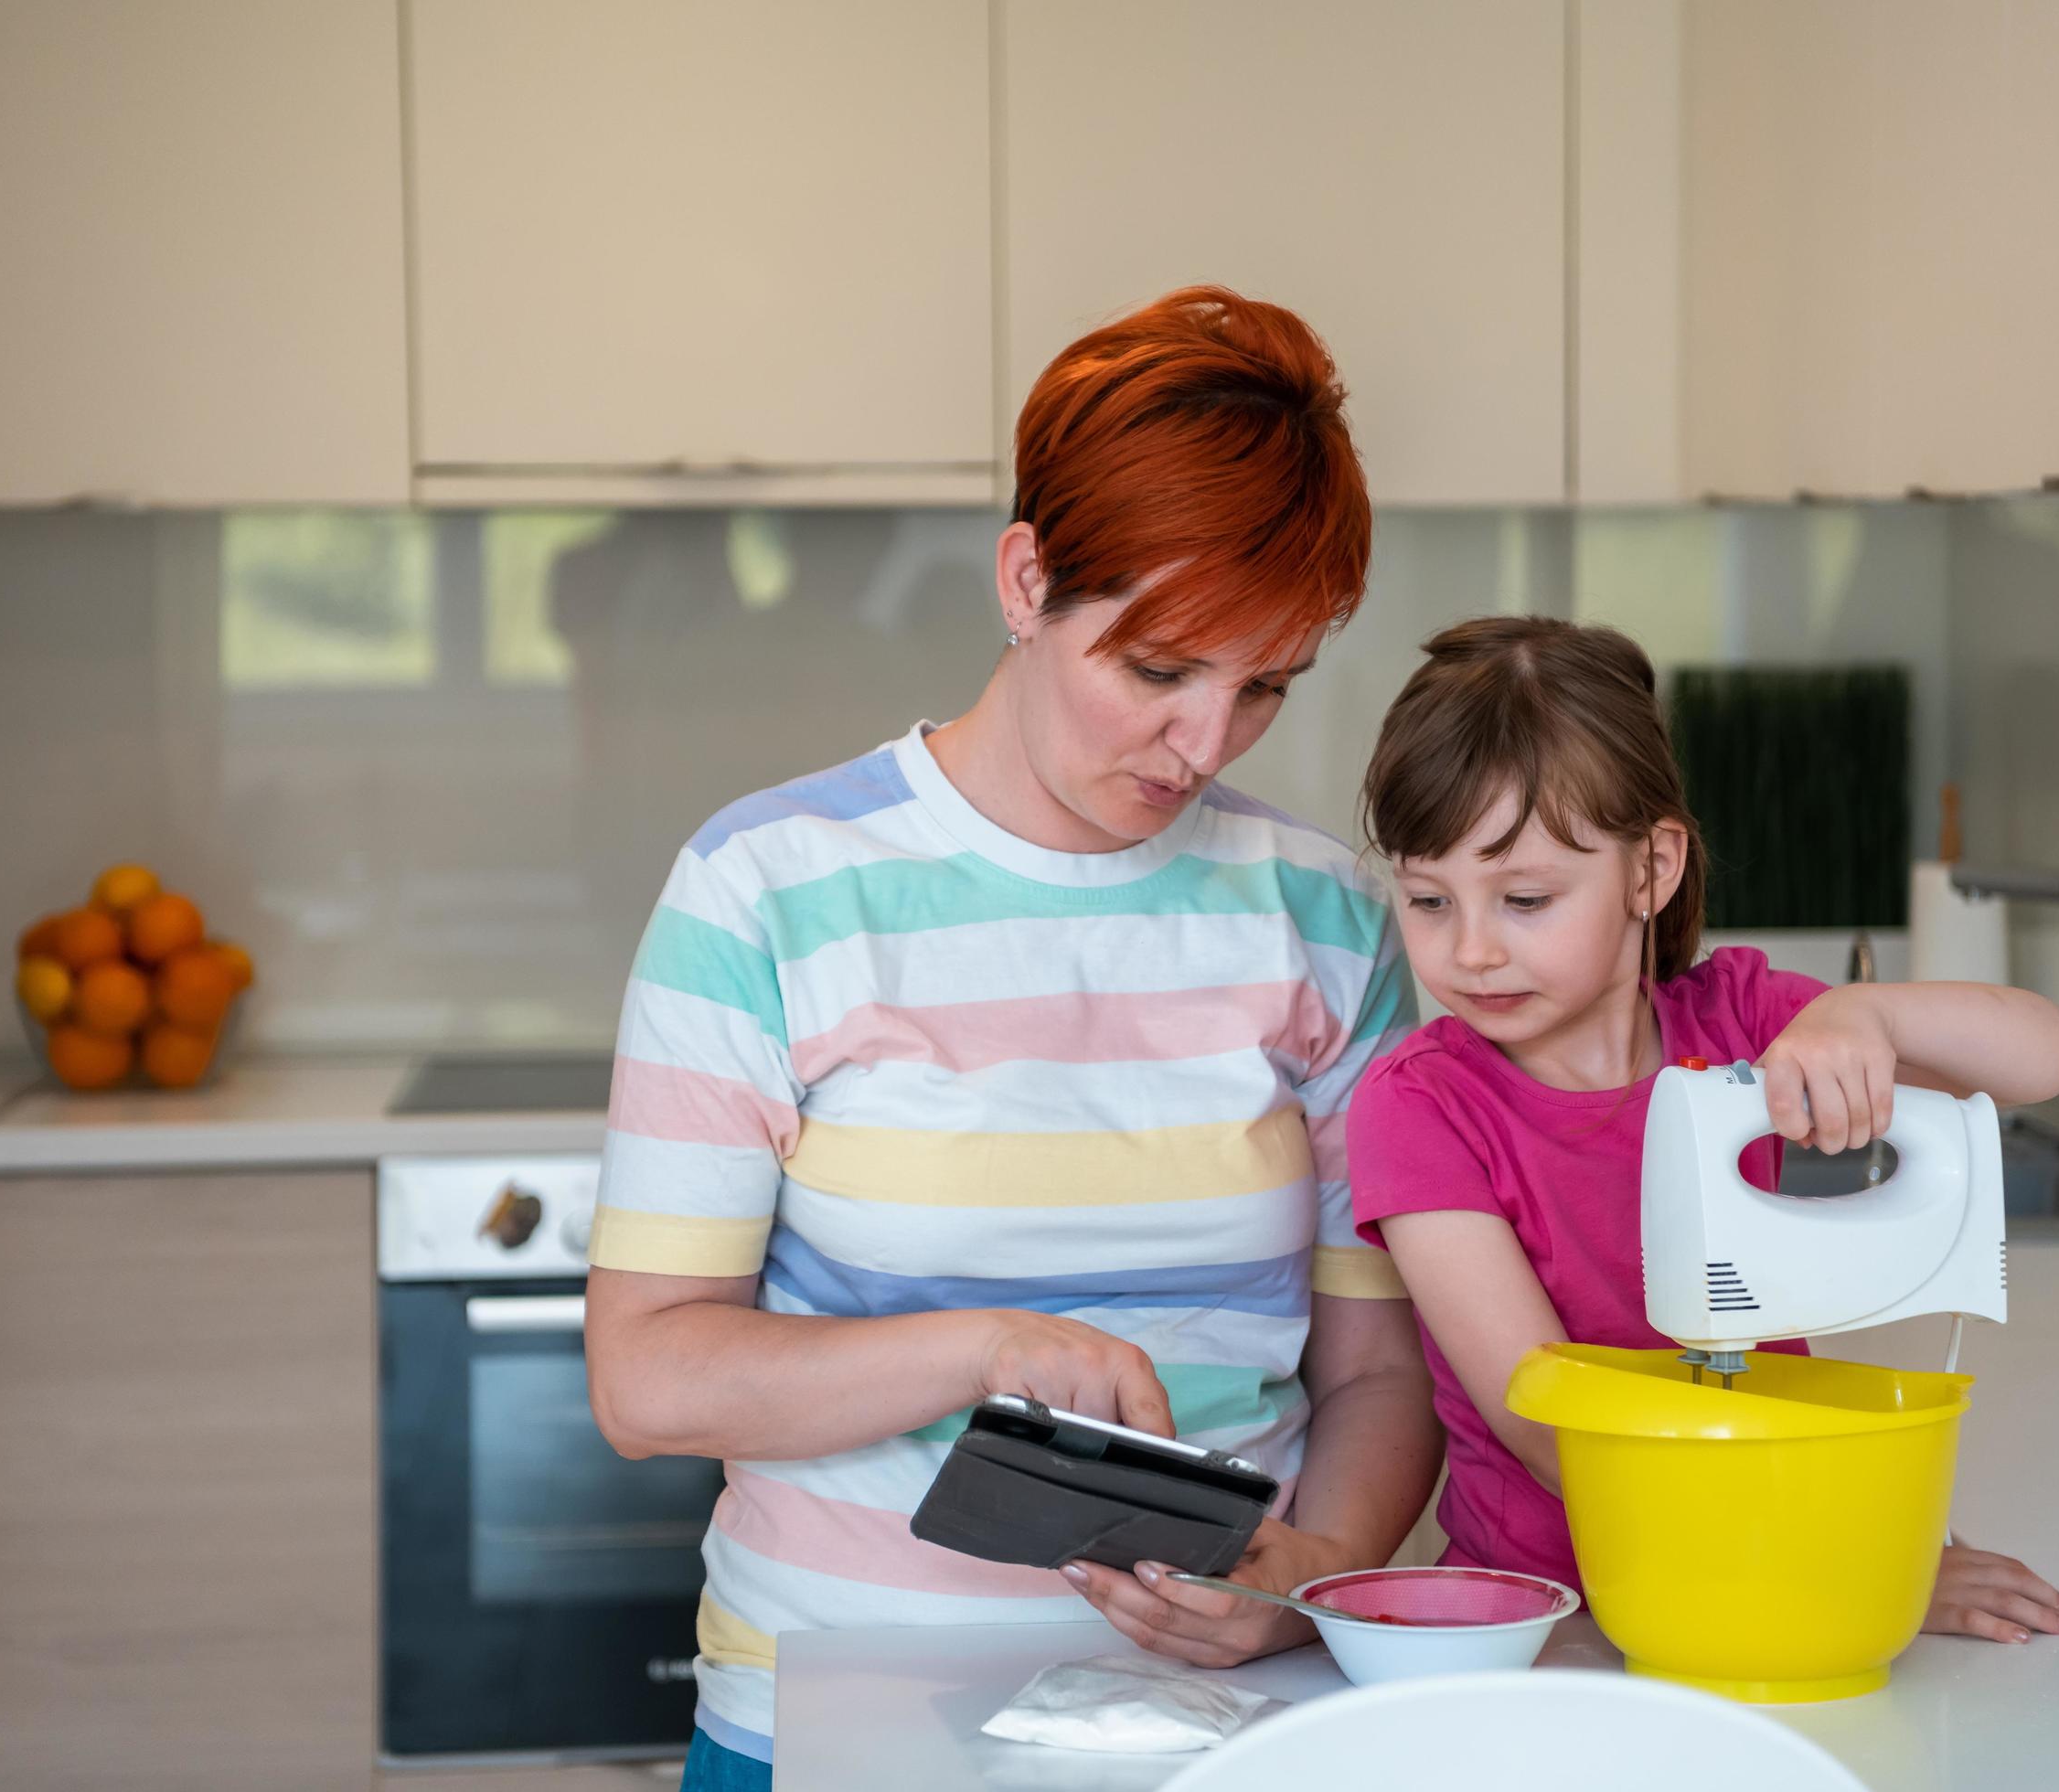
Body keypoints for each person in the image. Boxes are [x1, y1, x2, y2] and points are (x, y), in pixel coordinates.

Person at [583, 287, 1442, 1792]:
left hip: (1226, 1745)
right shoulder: (768, 892)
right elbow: (650, 1379)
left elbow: (1380, 1376)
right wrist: (987, 1350)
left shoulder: (1324, 919)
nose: (1204, 743)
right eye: (1160, 669)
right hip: (832, 1726)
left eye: (1266, 689)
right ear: (1026, 579)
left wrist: (1310, 1573)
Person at [1349, 614, 2059, 1646]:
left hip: (1779, 1560)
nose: (1469, 951)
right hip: (1551, 1618)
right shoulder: (1420, 1104)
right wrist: (1843, 1554)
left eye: (1524, 898)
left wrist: (1869, 1015)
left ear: (1652, 868)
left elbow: (2046, 1057)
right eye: (1428, 898)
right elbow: (1543, 1419)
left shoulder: (1741, 1022)